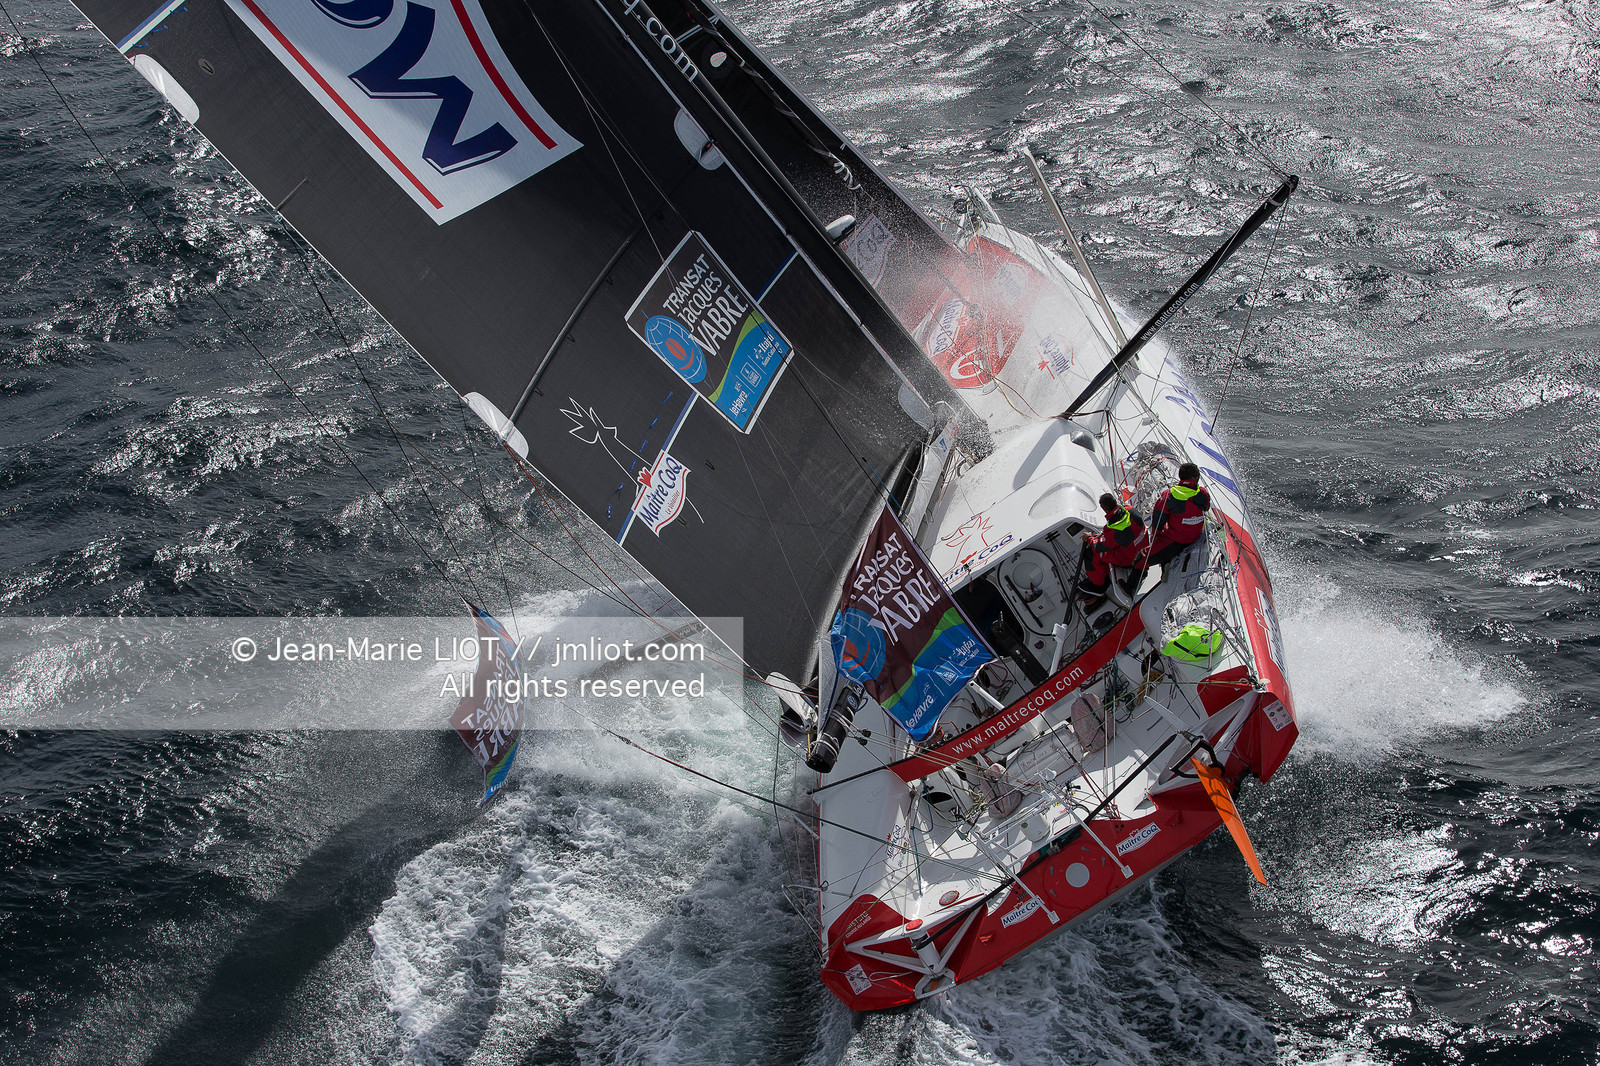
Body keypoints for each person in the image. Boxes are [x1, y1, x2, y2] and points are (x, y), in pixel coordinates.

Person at [1078, 493, 1149, 609]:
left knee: (1091, 553)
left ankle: (1098, 586)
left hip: (1128, 559)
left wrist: (1090, 538)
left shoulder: (1113, 528)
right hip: (1142, 547)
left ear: (1104, 508)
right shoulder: (1130, 510)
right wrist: (1103, 535)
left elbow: (1100, 546)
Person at [1144, 462, 1211, 573]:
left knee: (1142, 558)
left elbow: (1158, 519)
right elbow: (1206, 508)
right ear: (1194, 478)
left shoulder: (1168, 495)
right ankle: (1166, 561)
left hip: (1176, 540)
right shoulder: (1203, 493)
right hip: (1195, 536)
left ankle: (1130, 586)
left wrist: (1155, 536)